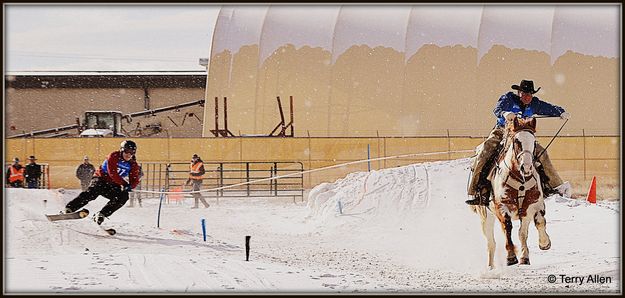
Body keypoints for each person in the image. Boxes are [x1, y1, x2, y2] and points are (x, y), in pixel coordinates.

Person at [466, 79, 572, 206]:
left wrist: (561, 112)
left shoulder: (535, 104)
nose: (527, 97)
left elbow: (550, 108)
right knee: (484, 152)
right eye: (524, 94)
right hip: (502, 132)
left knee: (542, 153)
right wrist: (504, 113)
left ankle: (554, 187)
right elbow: (497, 109)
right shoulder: (508, 99)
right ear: (518, 93)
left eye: (529, 94)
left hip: (523, 135)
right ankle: (478, 190)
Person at [63, 140, 141, 225]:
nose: (128, 155)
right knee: (92, 192)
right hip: (101, 178)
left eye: (132, 152)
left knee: (123, 197)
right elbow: (112, 173)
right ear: (122, 150)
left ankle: (102, 214)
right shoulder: (114, 156)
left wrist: (130, 186)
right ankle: (70, 208)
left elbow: (135, 179)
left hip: (113, 184)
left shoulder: (133, 164)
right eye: (126, 151)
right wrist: (124, 183)